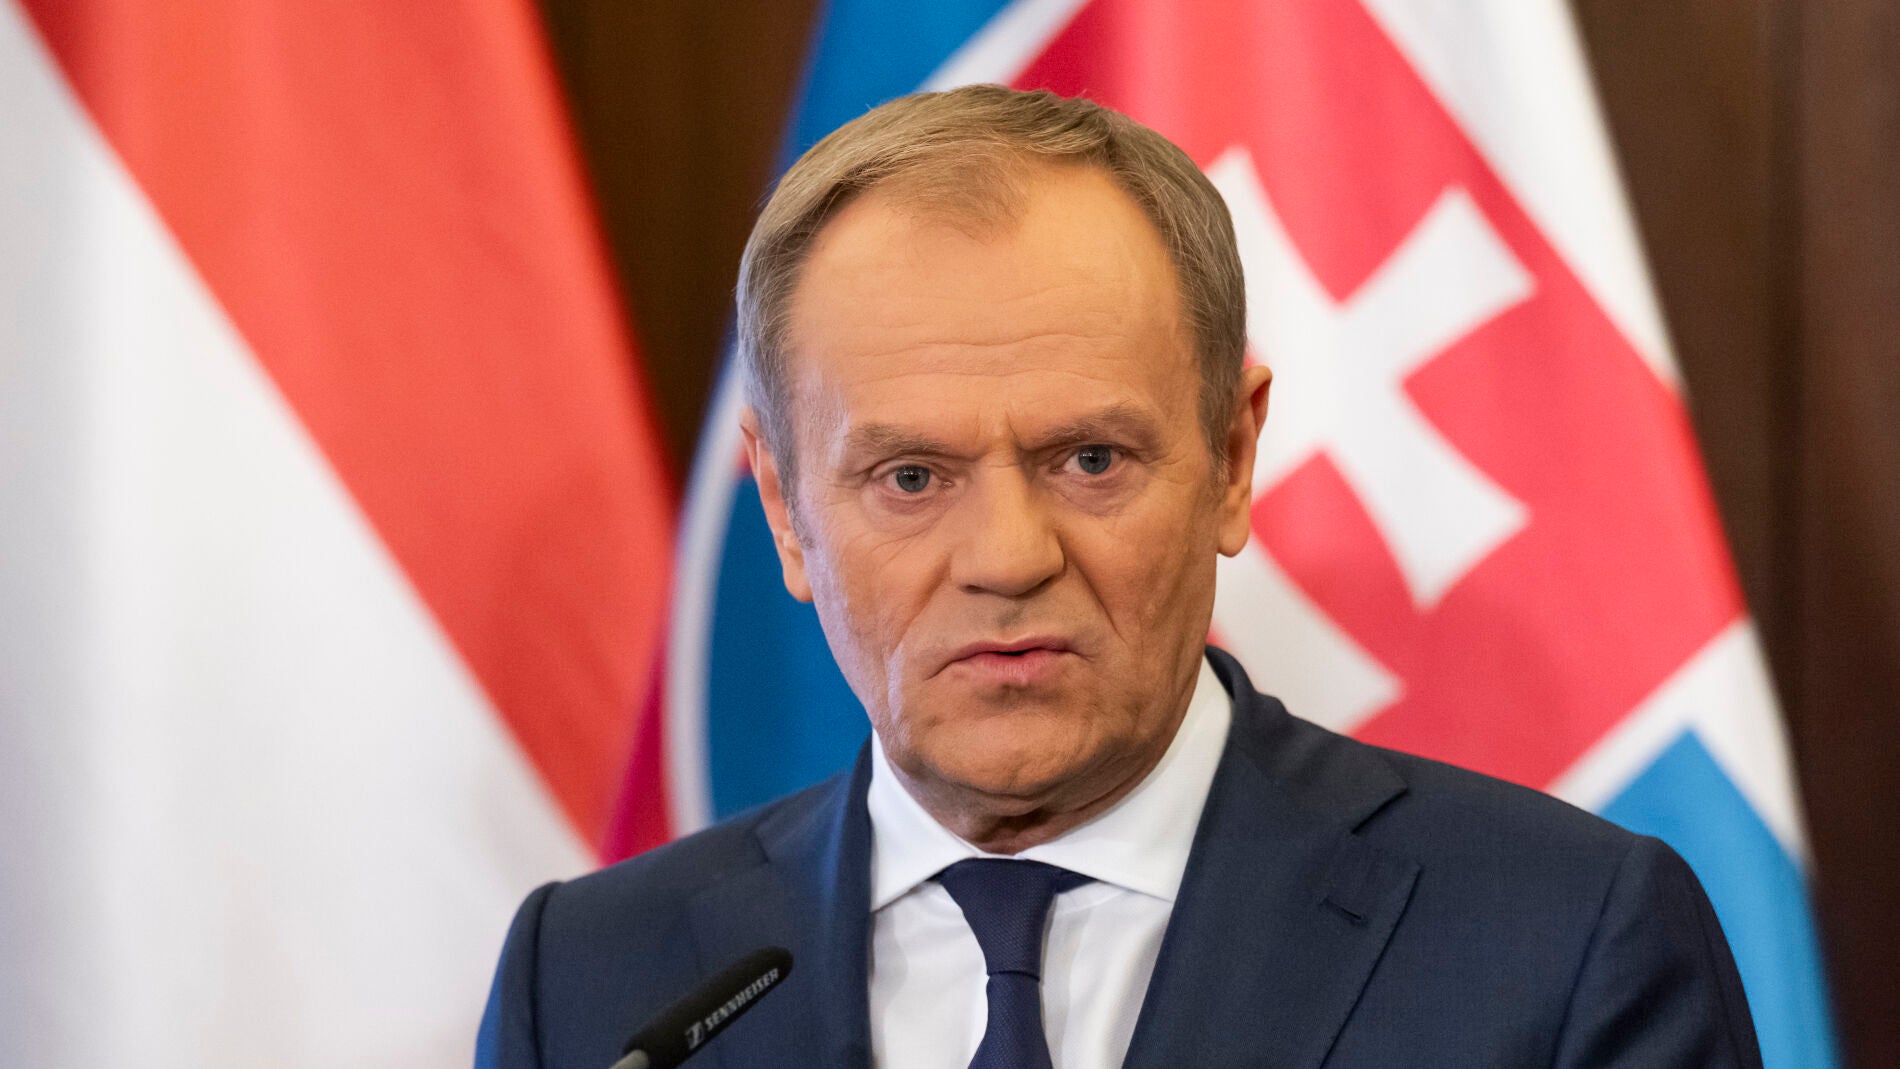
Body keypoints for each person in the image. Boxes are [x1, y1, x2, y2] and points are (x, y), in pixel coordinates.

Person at [477, 85, 1761, 1069]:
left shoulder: (1562, 943)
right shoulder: (590, 979)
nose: (1007, 558)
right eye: (910, 477)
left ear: (1231, 458)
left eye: (1089, 459)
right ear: (785, 511)